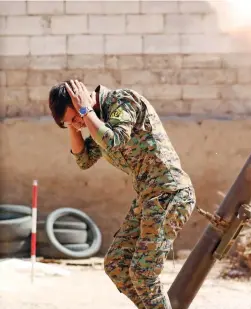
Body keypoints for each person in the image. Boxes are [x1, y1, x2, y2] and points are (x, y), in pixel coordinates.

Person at [48, 79, 196, 309]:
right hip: (148, 199)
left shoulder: (122, 101)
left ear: (83, 99)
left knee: (143, 275)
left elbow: (115, 141)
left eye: (75, 117)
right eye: (71, 123)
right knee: (116, 264)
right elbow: (84, 160)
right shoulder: (96, 120)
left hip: (170, 193)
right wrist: (74, 124)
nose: (79, 125)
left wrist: (85, 111)